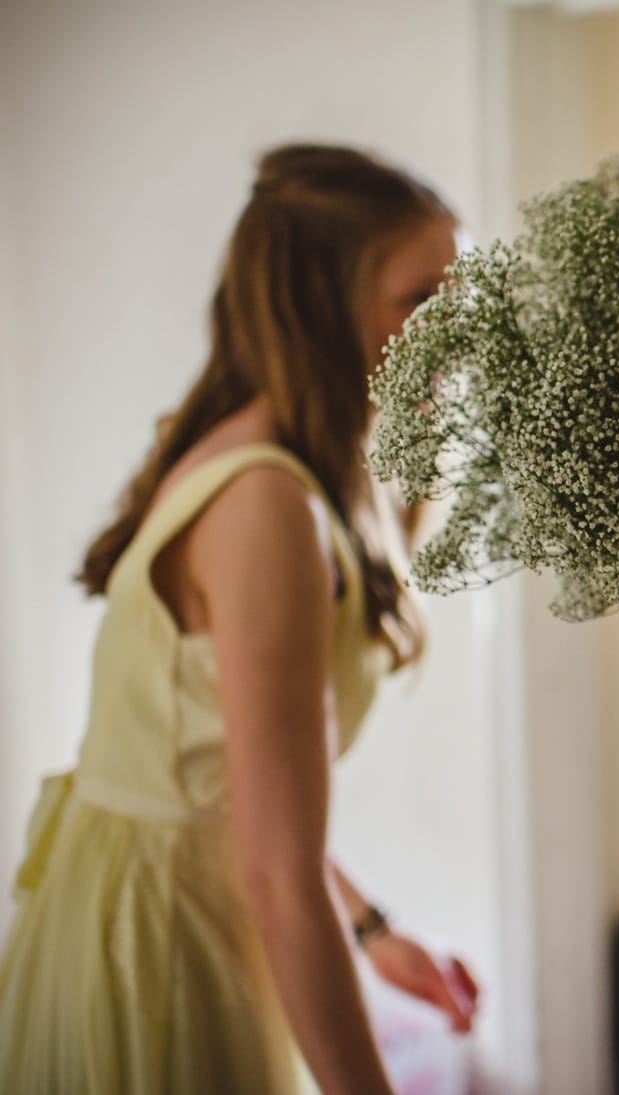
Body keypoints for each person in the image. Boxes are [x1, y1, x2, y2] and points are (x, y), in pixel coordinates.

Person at [0, 144, 480, 1095]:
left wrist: (372, 929)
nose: (458, 334)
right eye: (421, 302)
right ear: (320, 311)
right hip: (163, 949)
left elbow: (239, 797)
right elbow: (275, 870)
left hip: (163, 902)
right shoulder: (265, 505)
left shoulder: (289, 473)